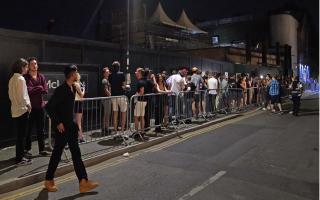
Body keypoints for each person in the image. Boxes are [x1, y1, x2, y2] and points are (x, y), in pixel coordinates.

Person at [44, 65, 98, 193]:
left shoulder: (72, 88)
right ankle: (48, 180)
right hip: (63, 128)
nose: (78, 74)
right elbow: (49, 107)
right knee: (57, 154)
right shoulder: (61, 90)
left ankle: (83, 182)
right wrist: (58, 123)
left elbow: (79, 97)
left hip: (71, 127)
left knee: (76, 155)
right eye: (76, 72)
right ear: (72, 73)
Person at [24, 57, 51, 157]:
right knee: (29, 130)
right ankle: (26, 150)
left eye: (35, 63)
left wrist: (37, 89)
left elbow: (45, 90)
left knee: (41, 130)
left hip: (40, 107)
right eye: (32, 64)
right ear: (29, 66)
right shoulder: (25, 77)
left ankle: (42, 150)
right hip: (30, 108)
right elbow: (28, 90)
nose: (34, 65)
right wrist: (39, 88)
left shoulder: (41, 76)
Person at [8, 58, 32, 166]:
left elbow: (11, 96)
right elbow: (23, 96)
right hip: (22, 110)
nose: (27, 69)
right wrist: (28, 106)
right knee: (22, 136)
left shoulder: (12, 79)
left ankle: (20, 156)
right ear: (22, 67)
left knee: (19, 136)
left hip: (15, 110)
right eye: (26, 67)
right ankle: (19, 159)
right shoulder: (21, 79)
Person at [108, 61, 128, 134]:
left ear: (113, 67)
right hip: (121, 96)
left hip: (114, 96)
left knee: (115, 114)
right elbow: (124, 85)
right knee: (123, 113)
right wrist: (126, 87)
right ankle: (122, 131)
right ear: (119, 67)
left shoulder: (110, 75)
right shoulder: (122, 74)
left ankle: (116, 131)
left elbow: (110, 85)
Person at [74, 72, 85, 143]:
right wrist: (84, 89)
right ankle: (80, 137)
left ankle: (79, 136)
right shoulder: (76, 84)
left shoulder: (74, 84)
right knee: (78, 122)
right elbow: (82, 95)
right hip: (78, 103)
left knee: (78, 121)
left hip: (76, 103)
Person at [101, 67, 112, 135]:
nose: (108, 73)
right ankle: (106, 128)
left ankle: (105, 128)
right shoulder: (104, 80)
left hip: (106, 99)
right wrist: (110, 95)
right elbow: (106, 89)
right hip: (106, 99)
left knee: (106, 114)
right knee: (107, 114)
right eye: (107, 72)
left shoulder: (106, 80)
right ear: (104, 73)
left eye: (108, 72)